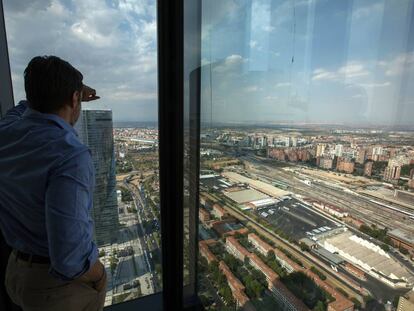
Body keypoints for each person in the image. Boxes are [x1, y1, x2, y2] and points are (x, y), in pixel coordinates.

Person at [0, 55, 107, 311]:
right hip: (56, 289)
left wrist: (68, 90)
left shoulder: (7, 131)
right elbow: (70, 257)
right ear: (74, 99)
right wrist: (99, 275)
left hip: (15, 273)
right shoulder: (70, 155)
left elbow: (19, 108)